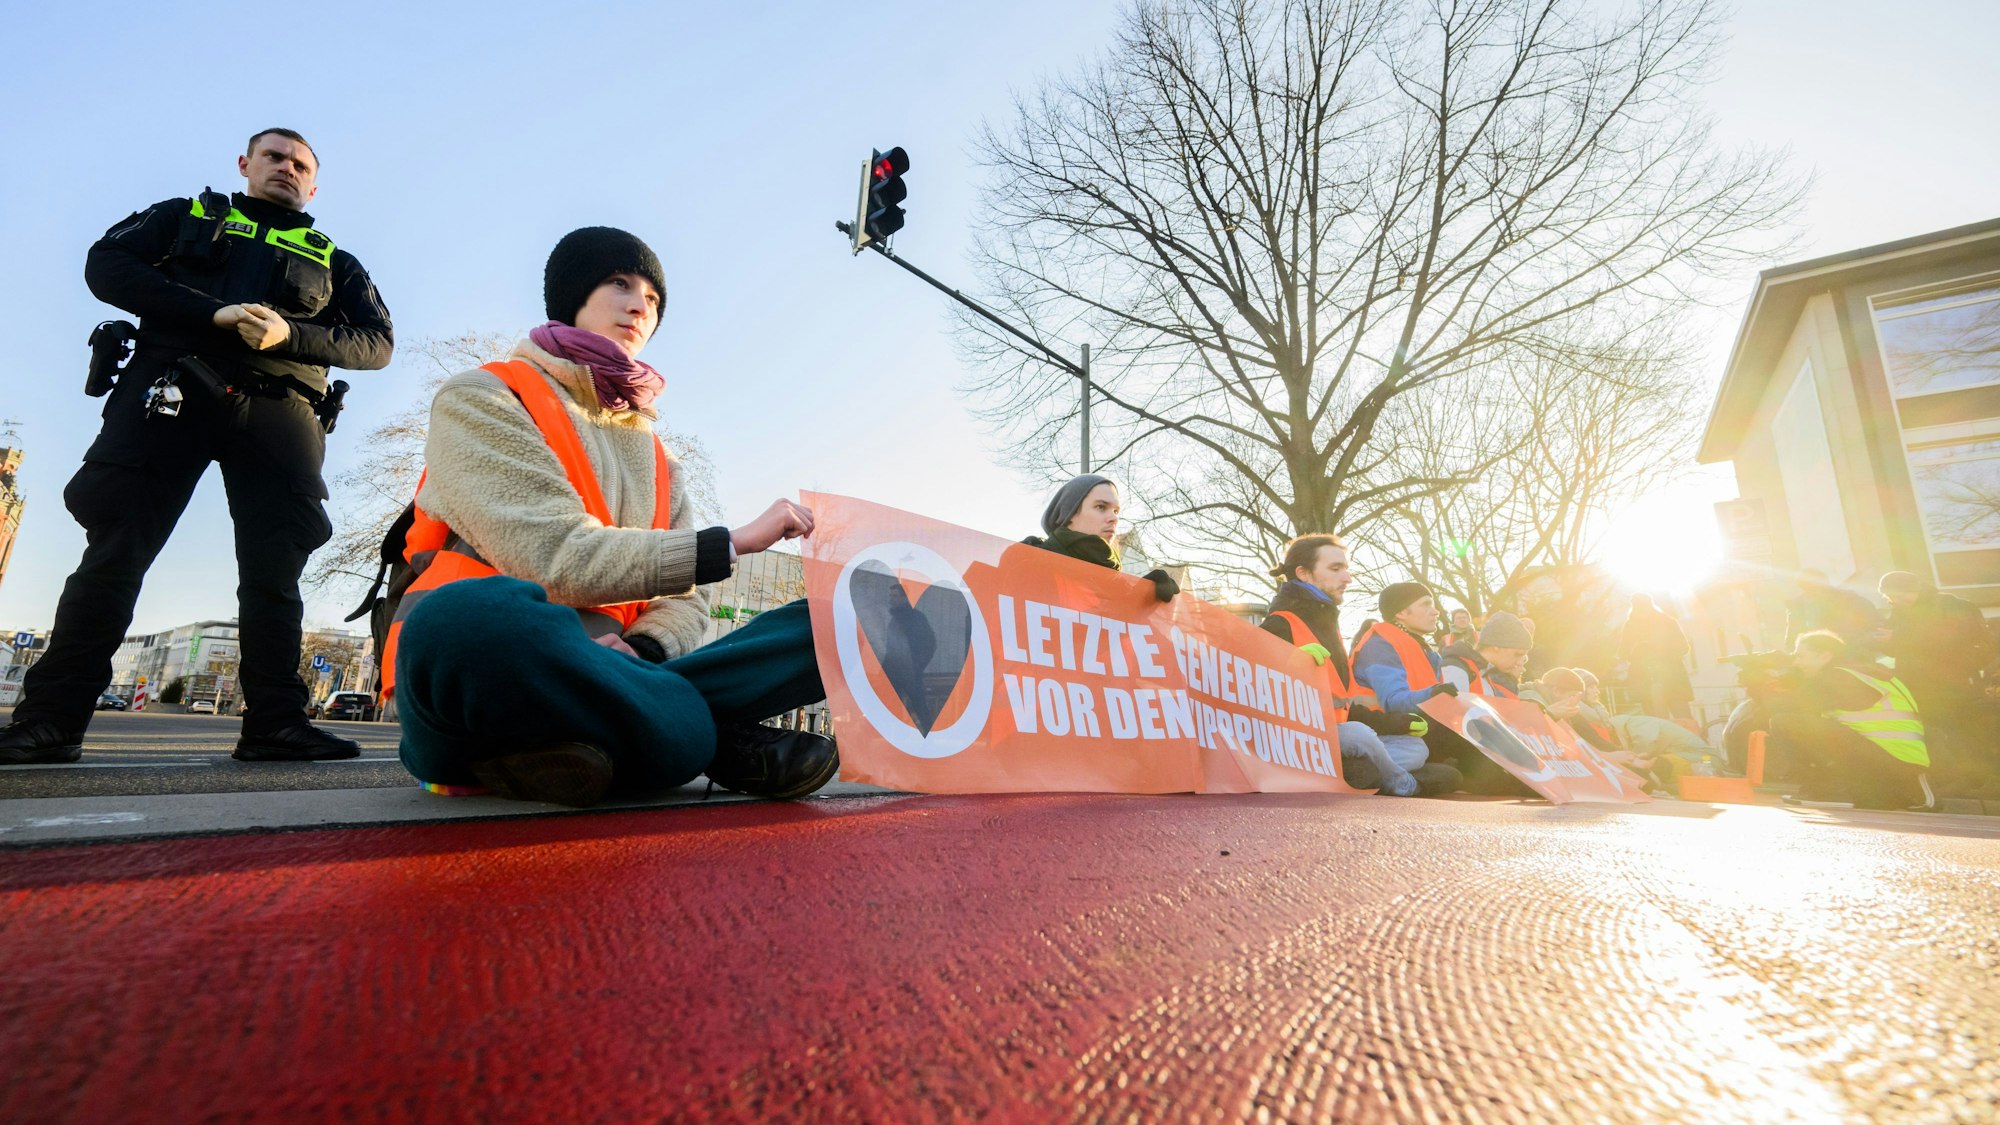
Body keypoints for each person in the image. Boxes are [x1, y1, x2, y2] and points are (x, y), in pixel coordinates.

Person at [386, 227, 835, 808]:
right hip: (489, 672)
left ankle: (635, 724)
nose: (638, 306)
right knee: (465, 619)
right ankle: (702, 733)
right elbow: (551, 557)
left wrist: (644, 653)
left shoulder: (658, 456)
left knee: (835, 620)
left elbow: (686, 602)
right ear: (574, 295)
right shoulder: (483, 396)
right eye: (619, 283)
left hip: (624, 673)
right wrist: (731, 543)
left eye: (652, 298)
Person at [1, 129, 394, 765]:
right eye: (274, 157)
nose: (286, 170)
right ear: (245, 164)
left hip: (279, 410)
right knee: (115, 553)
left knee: (275, 575)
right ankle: (50, 720)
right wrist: (209, 313)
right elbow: (107, 264)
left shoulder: (335, 259)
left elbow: (375, 343)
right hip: (169, 389)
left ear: (314, 185)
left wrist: (290, 331)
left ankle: (275, 724)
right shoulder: (183, 216)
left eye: (300, 165)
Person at [1258, 535, 1458, 797]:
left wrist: (1397, 723)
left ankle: (1356, 771)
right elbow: (1253, 693)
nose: (1347, 578)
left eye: (1346, 568)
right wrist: (1288, 663)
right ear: (1303, 573)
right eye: (1335, 569)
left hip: (1338, 734)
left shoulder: (1328, 625)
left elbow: (1343, 708)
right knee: (1359, 735)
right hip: (1302, 740)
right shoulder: (1279, 624)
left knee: (1414, 747)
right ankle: (1400, 782)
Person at [1769, 631, 1931, 810]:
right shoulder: (1859, 670)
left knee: (1785, 723)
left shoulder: (1838, 676)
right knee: (1810, 724)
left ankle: (1826, 791)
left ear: (1825, 656)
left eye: (1800, 656)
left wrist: (1773, 682)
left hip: (1890, 758)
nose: (1796, 663)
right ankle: (1875, 794)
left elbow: (1794, 706)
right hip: (1893, 761)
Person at [1351, 582, 1464, 794]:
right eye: (1426, 604)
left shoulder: (1425, 650)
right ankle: (1382, 776)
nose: (1435, 610)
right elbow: (1393, 701)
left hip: (1415, 729)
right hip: (1384, 731)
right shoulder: (1380, 645)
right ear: (1402, 612)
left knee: (1460, 762)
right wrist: (1434, 693)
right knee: (1422, 753)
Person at [1876, 570, 1993, 765]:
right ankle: (1961, 775)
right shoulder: (1900, 611)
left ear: (1916, 589)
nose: (1896, 601)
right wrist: (1883, 641)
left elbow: (1950, 639)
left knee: (1965, 728)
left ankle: (1983, 777)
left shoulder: (1949, 605)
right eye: (1890, 597)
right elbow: (1901, 648)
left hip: (1954, 680)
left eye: (1899, 595)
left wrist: (1898, 638)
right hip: (1918, 683)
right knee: (1939, 730)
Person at [1022, 475, 1179, 603]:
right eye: (1101, 507)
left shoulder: (1118, 584)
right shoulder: (1030, 561)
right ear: (1068, 514)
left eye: (1116, 511)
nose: (1113, 518)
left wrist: (1145, 601)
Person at [1618, 594, 1695, 722]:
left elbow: (1684, 647)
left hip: (1670, 679)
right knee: (1662, 723)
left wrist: (1659, 650)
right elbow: (1622, 653)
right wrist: (1636, 649)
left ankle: (1694, 740)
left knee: (1680, 720)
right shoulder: (1631, 626)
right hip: (1650, 682)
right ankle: (1694, 740)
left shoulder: (1667, 622)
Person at [1439, 611, 1532, 699]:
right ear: (1497, 645)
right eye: (1517, 654)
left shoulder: (1488, 672)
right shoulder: (1456, 668)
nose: (1520, 662)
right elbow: (1452, 712)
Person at [1784, 570, 1881, 652]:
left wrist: (1853, 648)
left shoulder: (1850, 600)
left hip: (1851, 657)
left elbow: (1875, 628)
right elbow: (1792, 637)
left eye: (1816, 586)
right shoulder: (1797, 607)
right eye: (1807, 587)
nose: (1813, 592)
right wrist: (1795, 655)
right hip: (1816, 662)